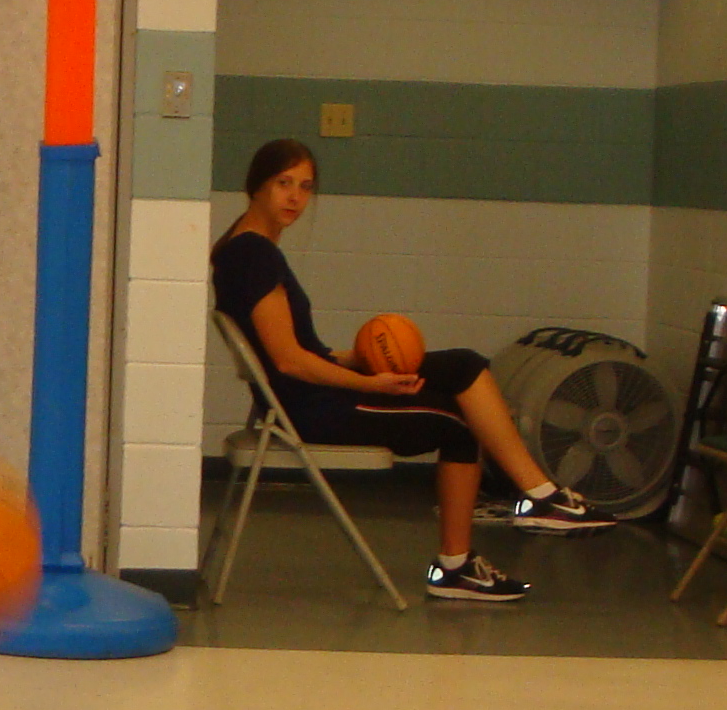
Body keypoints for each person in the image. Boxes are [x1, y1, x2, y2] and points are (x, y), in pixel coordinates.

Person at [211, 135, 608, 605]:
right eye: (284, 183)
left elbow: (304, 351)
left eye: (306, 186)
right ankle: (459, 566)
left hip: (308, 395)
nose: (296, 197)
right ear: (256, 185)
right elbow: (288, 360)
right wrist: (370, 382)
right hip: (313, 409)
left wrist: (362, 358)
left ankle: (538, 495)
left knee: (462, 366)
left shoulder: (243, 248)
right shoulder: (253, 254)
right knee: (460, 426)